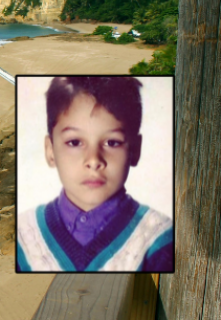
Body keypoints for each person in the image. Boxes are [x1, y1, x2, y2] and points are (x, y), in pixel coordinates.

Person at [16, 76, 173, 272]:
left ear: (135, 150)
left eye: (112, 142)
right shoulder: (21, 238)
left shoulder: (160, 242)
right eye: (74, 142)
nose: (93, 160)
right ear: (50, 151)